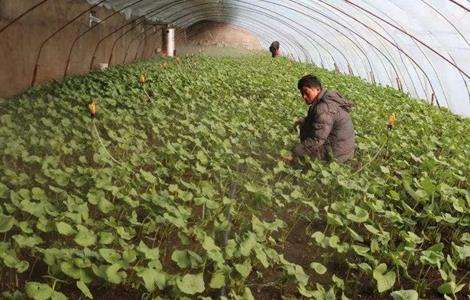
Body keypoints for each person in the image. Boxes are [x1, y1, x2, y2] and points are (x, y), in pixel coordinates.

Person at [292, 75, 356, 163]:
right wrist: (303, 121)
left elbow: (317, 140)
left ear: (317, 89)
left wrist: (295, 152)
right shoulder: (325, 99)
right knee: (305, 126)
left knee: (299, 153)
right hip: (344, 149)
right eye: (302, 93)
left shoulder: (323, 108)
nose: (304, 97)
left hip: (337, 155)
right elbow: (318, 121)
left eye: (306, 92)